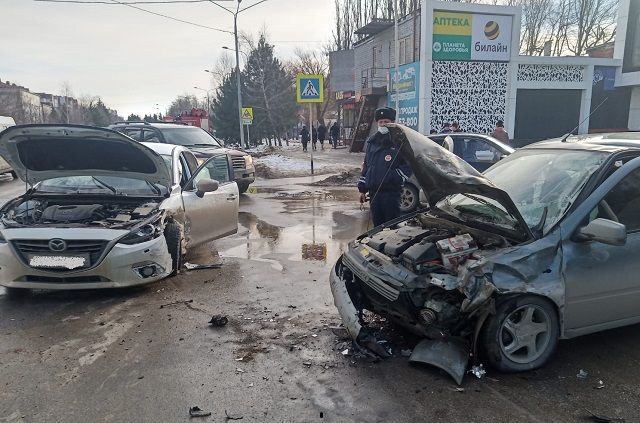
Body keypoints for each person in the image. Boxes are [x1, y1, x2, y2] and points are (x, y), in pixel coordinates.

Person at [358, 107, 412, 227]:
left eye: (386, 122)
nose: (383, 124)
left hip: (391, 194)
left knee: (391, 228)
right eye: (380, 122)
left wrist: (391, 177)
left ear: (392, 122)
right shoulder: (372, 142)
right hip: (374, 194)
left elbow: (408, 166)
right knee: (377, 227)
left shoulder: (399, 141)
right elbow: (366, 165)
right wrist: (362, 190)